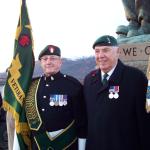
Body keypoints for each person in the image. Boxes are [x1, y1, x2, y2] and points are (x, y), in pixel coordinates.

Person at [83, 35, 150, 150]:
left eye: (106, 50)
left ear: (118, 52)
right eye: (97, 51)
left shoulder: (135, 78)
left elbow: (144, 121)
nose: (100, 56)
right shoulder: (89, 79)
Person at [23, 45, 86, 150]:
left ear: (60, 62)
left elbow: (82, 121)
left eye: (53, 58)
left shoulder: (72, 85)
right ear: (41, 63)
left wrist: (82, 147)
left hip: (67, 145)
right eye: (45, 59)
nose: (48, 62)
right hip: (38, 145)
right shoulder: (32, 86)